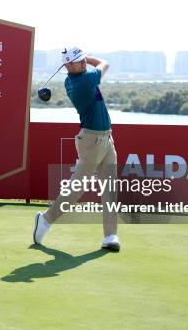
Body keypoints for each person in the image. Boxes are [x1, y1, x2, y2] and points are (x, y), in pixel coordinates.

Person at [33, 47, 120, 251]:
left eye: (83, 60)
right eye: (78, 61)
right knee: (77, 189)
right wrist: (89, 57)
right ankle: (45, 219)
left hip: (106, 138)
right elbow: (104, 63)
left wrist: (79, 57)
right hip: (92, 140)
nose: (83, 63)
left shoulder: (76, 77)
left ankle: (110, 236)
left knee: (111, 189)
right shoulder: (83, 80)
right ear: (67, 66)